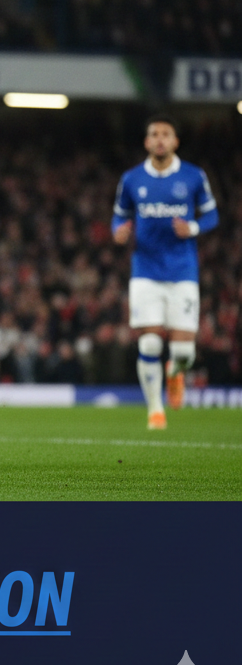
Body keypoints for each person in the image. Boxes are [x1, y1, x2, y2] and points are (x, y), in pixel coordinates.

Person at [112, 115, 218, 430]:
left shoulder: (193, 176)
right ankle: (155, 411)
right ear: (147, 142)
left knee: (184, 351)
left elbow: (212, 214)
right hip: (145, 270)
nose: (160, 139)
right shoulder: (132, 179)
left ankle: (175, 372)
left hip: (183, 271)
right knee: (148, 344)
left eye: (166, 134)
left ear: (175, 141)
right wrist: (119, 231)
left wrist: (194, 227)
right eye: (154, 134)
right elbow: (118, 217)